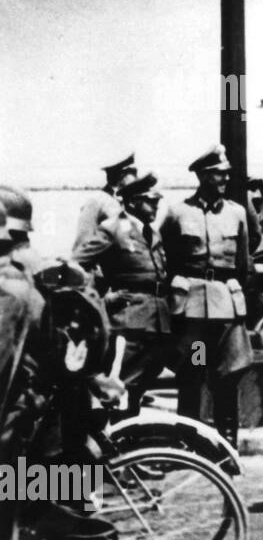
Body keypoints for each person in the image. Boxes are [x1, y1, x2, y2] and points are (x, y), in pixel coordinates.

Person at [0, 204, 152, 540]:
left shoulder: (10, 284)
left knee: (60, 518)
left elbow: (4, 372)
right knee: (46, 515)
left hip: (32, 428)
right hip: (58, 417)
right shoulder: (44, 269)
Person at [160, 145, 253, 446]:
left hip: (226, 309)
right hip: (195, 313)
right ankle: (187, 442)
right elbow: (165, 257)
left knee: (228, 374)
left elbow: (244, 262)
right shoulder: (178, 212)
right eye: (217, 174)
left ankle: (227, 444)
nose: (224, 179)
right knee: (194, 371)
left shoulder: (237, 213)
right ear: (202, 175)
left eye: (226, 174)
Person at [71, 172, 173, 415]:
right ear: (132, 202)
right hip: (129, 324)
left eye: (157, 202)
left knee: (143, 382)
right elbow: (76, 266)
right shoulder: (112, 229)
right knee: (119, 388)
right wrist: (100, 301)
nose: (156, 207)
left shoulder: (152, 232)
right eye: (150, 202)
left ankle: (127, 436)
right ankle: (110, 441)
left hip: (159, 322)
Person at [72, 154, 137, 256]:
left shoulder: (128, 201)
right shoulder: (96, 202)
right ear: (122, 175)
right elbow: (82, 244)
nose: (136, 177)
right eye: (133, 172)